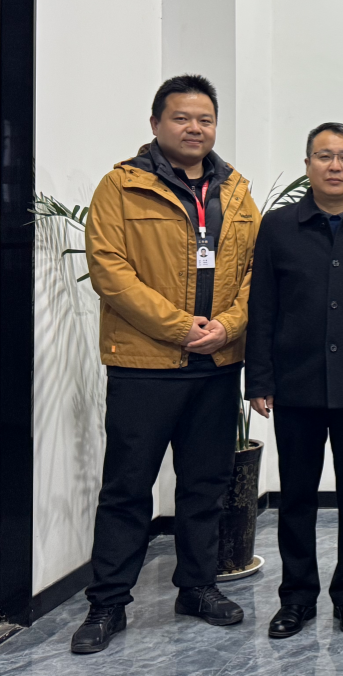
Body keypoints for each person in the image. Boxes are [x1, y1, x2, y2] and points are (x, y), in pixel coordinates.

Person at [73, 75, 259, 654]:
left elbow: (259, 271)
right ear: (155, 124)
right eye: (181, 118)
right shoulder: (120, 187)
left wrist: (228, 325)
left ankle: (197, 587)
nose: (194, 128)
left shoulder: (236, 191)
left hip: (217, 364)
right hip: (144, 365)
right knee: (127, 488)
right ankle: (108, 603)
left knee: (205, 485)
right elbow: (109, 271)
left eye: (205, 119)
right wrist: (181, 328)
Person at [245, 123, 343, 640]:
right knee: (297, 498)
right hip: (296, 385)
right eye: (324, 156)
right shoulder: (278, 226)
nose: (335, 166)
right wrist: (259, 378)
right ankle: (296, 598)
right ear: (307, 163)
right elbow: (262, 305)